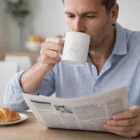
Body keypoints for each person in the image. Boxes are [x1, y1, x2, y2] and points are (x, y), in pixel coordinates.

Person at [4, 0, 140, 138]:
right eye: (70, 16)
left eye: (89, 16)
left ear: (113, 13)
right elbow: (13, 103)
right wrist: (42, 66)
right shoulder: (60, 50)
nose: (77, 28)